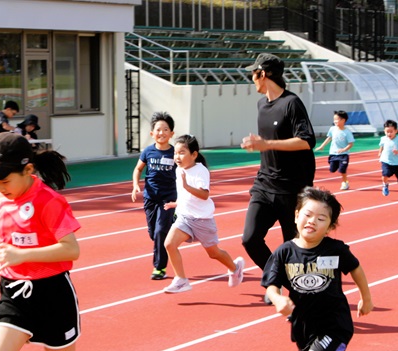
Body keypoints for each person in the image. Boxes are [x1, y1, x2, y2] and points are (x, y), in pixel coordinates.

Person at [0, 133, 131, 351]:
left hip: (53, 296)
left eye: (3, 181)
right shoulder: (2, 199)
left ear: (27, 170)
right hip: (14, 293)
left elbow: (72, 249)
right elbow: (8, 243)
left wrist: (22, 256)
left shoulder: (48, 201)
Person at [261, 187, 374, 351]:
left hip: (334, 325)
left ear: (330, 226)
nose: (312, 221)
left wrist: (366, 298)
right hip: (303, 325)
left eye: (321, 218)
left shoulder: (335, 250)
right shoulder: (284, 252)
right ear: (296, 216)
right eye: (307, 215)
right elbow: (271, 284)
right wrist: (277, 299)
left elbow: (356, 268)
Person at [239, 53, 316, 303]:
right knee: (250, 238)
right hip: (264, 184)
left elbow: (306, 141)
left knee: (294, 248)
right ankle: (274, 280)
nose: (252, 79)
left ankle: (301, 298)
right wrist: (260, 145)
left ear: (264, 74)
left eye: (253, 73)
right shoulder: (261, 105)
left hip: (291, 189)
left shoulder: (292, 103)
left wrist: (266, 143)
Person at [162, 134, 244, 293]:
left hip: (202, 220)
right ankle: (181, 280)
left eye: (181, 153)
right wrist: (177, 203)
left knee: (214, 253)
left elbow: (204, 195)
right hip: (185, 217)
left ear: (194, 154)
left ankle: (235, 268)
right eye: (175, 153)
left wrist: (186, 186)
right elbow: (185, 195)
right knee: (169, 244)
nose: (177, 157)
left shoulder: (201, 171)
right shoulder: (179, 170)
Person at [131, 111, 177, 280]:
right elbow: (138, 169)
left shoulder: (174, 153)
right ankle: (168, 225)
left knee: (160, 232)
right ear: (152, 133)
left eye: (166, 130)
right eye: (158, 129)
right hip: (150, 197)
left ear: (171, 134)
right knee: (153, 233)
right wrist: (136, 184)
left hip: (168, 198)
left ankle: (159, 268)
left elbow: (184, 171)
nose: (161, 133)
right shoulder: (148, 151)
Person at [315, 110, 355, 191]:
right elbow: (329, 138)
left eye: (337, 119)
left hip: (343, 155)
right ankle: (336, 166)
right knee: (332, 170)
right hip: (333, 153)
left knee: (342, 170)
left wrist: (343, 149)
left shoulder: (347, 132)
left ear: (343, 120)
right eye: (334, 119)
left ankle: (345, 183)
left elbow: (351, 144)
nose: (335, 121)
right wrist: (322, 146)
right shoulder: (332, 129)